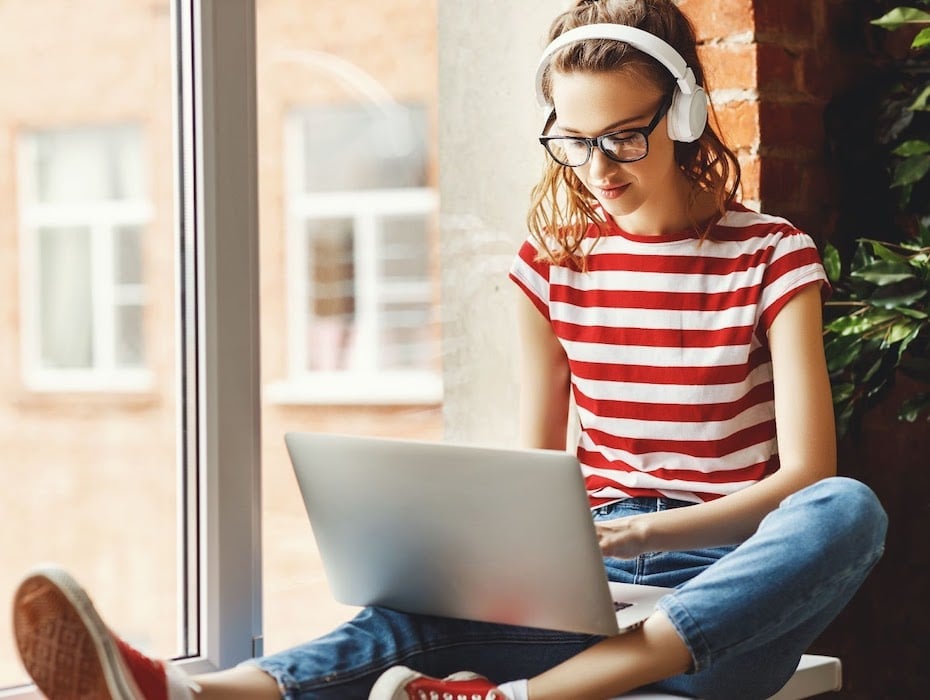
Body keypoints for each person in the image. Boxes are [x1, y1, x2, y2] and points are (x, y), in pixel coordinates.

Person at [12, 1, 888, 699]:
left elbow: (805, 478)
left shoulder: (771, 254)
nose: (599, 166)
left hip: (730, 600)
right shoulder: (551, 264)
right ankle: (187, 695)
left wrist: (643, 531)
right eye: (575, 141)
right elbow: (537, 472)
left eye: (626, 135)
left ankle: (534, 696)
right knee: (403, 612)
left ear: (688, 111)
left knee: (849, 509)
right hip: (591, 586)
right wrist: (516, 554)